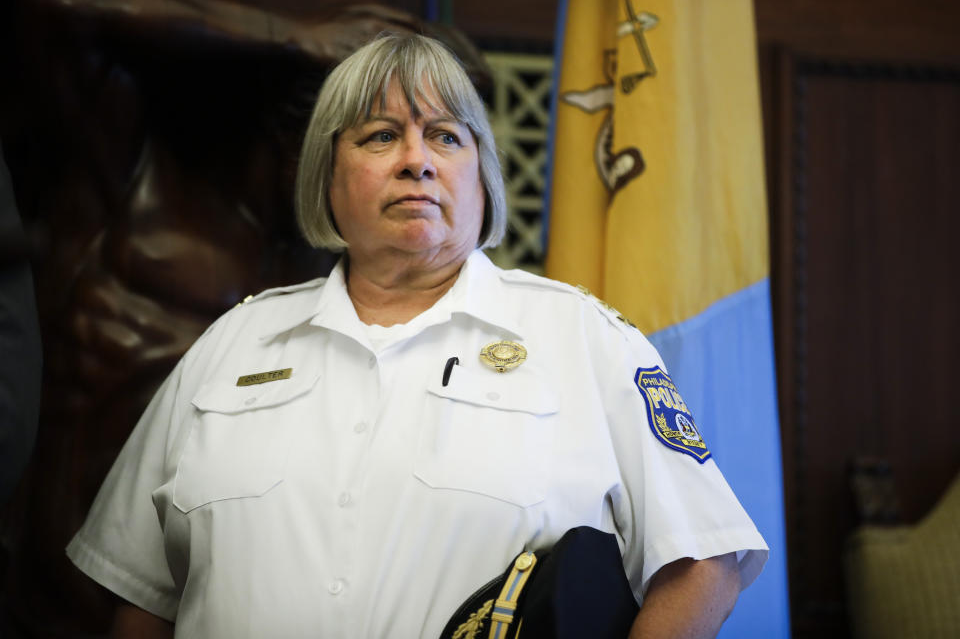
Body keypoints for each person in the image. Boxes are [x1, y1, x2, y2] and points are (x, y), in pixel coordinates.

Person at [66, 34, 768, 639]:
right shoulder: (231, 345)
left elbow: (706, 560)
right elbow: (141, 594)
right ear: (328, 181)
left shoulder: (583, 339)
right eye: (379, 135)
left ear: (483, 181)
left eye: (446, 136)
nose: (416, 160)